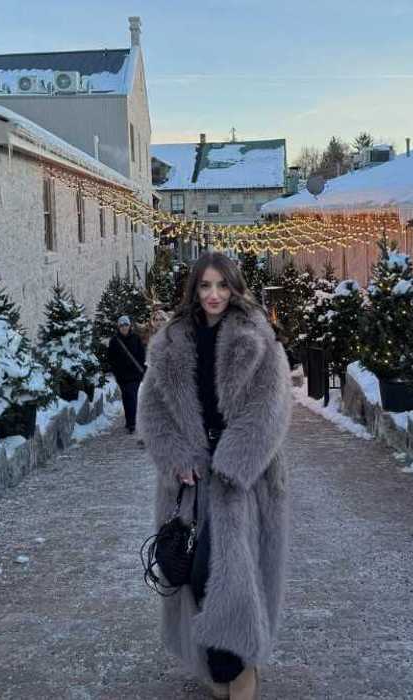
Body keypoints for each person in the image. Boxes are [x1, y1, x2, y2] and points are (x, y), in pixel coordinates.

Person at [137, 252, 291, 700]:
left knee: (238, 577)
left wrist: (233, 462)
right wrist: (176, 456)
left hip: (245, 481)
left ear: (234, 287)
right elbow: (152, 409)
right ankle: (217, 664)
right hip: (188, 483)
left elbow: (273, 409)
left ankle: (238, 669)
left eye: (222, 285)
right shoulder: (169, 342)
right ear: (193, 290)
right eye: (205, 286)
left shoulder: (256, 337)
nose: (214, 295)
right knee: (194, 573)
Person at [106, 315, 146, 435]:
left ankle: (132, 423)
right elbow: (111, 358)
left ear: (130, 326)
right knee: (126, 397)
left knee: (132, 396)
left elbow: (141, 355)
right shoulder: (114, 341)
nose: (124, 327)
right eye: (122, 325)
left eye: (126, 325)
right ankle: (129, 421)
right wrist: (116, 370)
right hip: (122, 375)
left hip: (134, 375)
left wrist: (141, 368)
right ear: (118, 327)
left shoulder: (136, 338)